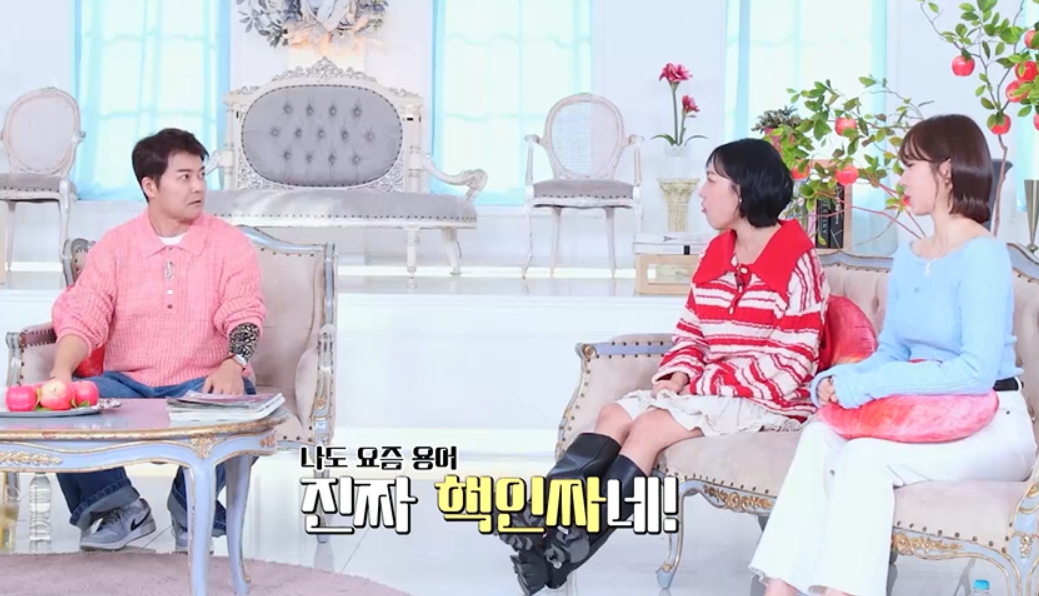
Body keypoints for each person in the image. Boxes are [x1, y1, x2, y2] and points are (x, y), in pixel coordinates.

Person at [503, 138, 830, 595]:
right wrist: (678, 374)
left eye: (711, 181)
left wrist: (703, 381)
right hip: (708, 392)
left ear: (742, 192)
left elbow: (791, 364)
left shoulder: (797, 262)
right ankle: (550, 538)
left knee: (650, 427)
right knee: (613, 414)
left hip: (769, 400)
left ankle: (553, 545)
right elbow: (692, 331)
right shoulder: (718, 252)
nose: (701, 192)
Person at [750, 114, 1039, 596]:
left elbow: (975, 372)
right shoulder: (909, 255)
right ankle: (780, 591)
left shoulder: (984, 256)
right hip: (924, 417)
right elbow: (892, 352)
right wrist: (836, 380)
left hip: (992, 426)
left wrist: (869, 386)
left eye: (910, 166)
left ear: (946, 171)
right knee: (820, 435)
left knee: (864, 457)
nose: (901, 179)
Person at [50, 128, 266, 553]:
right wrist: (61, 371)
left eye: (201, 175)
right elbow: (85, 318)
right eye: (184, 177)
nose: (198, 187)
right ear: (150, 185)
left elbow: (246, 315)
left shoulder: (230, 244)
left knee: (240, 401)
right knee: (66, 407)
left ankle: (190, 507)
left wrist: (233, 363)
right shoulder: (115, 246)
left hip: (201, 381)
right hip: (129, 382)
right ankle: (121, 509)